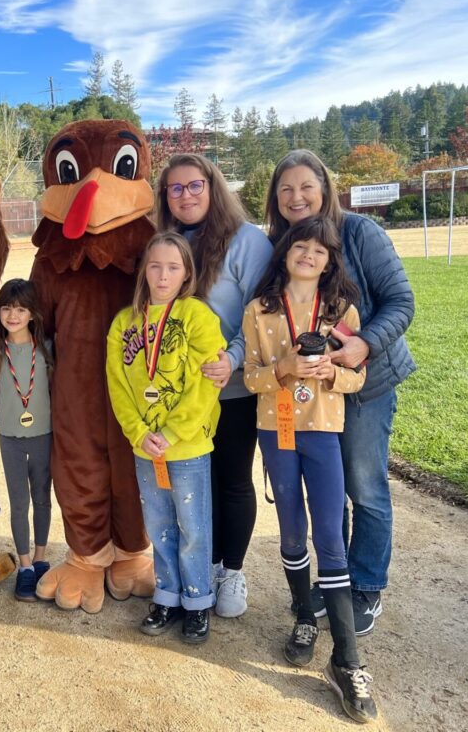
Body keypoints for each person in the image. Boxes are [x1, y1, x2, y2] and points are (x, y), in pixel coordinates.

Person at [265, 150, 416, 637]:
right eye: (286, 189)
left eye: (306, 186)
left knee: (364, 485)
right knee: (330, 492)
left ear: (325, 189)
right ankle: (338, 581)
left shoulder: (359, 232)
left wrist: (364, 344)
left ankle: (366, 585)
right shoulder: (278, 244)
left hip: (364, 385)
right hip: (312, 395)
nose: (296, 197)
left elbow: (401, 301)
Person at [242, 217, 377, 724]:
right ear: (285, 253)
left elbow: (357, 375)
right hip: (276, 432)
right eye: (300, 247)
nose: (308, 256)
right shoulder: (260, 309)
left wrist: (331, 371)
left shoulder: (342, 312)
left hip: (322, 432)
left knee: (331, 538)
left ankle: (347, 660)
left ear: (329, 262)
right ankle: (304, 614)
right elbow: (250, 376)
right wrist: (284, 369)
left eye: (319, 251)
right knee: (293, 532)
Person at [155, 153, 272, 618]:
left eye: (194, 185)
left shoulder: (246, 242)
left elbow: (260, 313)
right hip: (182, 393)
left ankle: (232, 570)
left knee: (232, 477)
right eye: (175, 188)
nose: (185, 195)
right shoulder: (167, 243)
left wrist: (233, 358)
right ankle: (206, 564)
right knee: (194, 482)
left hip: (231, 385)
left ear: (213, 186)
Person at [105, 232, 226, 643]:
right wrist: (139, 433)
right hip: (146, 447)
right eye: (155, 266)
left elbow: (206, 384)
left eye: (173, 268)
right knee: (158, 525)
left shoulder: (198, 316)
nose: (162, 275)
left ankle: (197, 601)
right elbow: (118, 386)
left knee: (193, 527)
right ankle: (167, 596)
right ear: (144, 270)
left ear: (186, 273)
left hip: (187, 445)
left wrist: (173, 432)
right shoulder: (124, 323)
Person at [0, 279, 54, 602]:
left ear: (32, 314)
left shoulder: (46, 349)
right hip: (10, 437)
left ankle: (40, 558)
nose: (13, 316)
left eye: (21, 309)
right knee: (19, 502)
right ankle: (25, 566)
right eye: (7, 309)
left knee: (42, 497)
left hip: (43, 435)